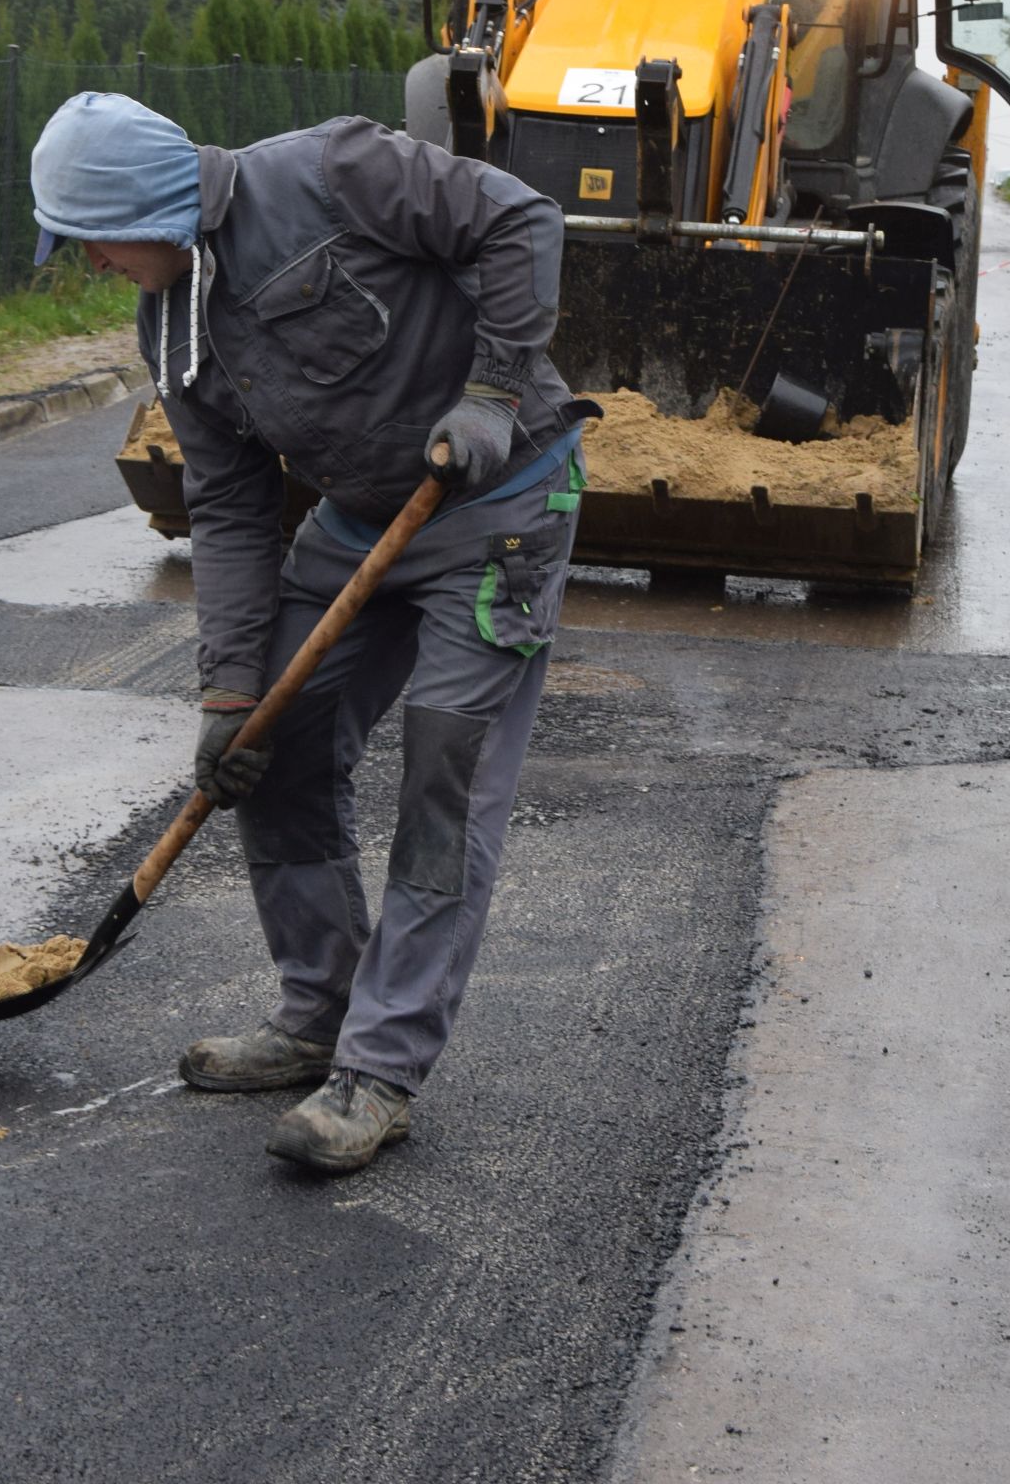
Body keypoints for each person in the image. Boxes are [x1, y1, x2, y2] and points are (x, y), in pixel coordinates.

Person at [29, 93, 591, 1174]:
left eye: (90, 244)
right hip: (358, 519)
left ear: (142, 210)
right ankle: (319, 1014)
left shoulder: (336, 169)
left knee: (444, 781)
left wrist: (492, 392)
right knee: (269, 747)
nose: (90, 267)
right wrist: (231, 692)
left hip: (498, 504)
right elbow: (232, 508)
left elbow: (521, 219)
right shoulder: (175, 323)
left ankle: (379, 1071)